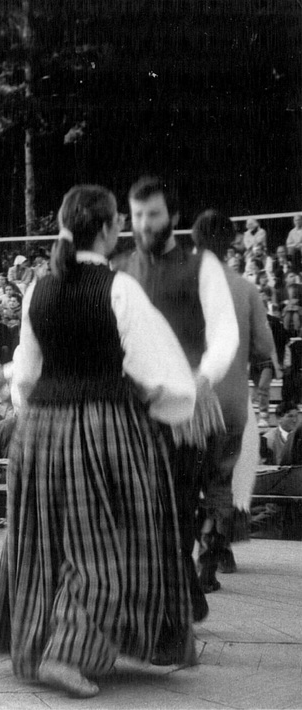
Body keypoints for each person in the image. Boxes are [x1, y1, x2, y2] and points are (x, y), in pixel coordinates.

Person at [0, 185, 198, 698]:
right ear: (108, 229)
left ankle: (39, 641)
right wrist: (166, 406)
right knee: (110, 544)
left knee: (43, 541)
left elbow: (28, 374)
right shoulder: (119, 289)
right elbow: (158, 374)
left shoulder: (39, 288)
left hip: (40, 430)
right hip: (103, 427)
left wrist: (30, 411)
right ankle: (67, 651)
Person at [117, 176, 238, 624]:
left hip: (186, 406)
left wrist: (204, 377)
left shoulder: (200, 265)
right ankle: (176, 600)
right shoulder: (122, 267)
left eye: (153, 214)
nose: (144, 223)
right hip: (132, 406)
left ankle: (175, 605)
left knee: (179, 508)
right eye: (137, 215)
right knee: (140, 512)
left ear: (173, 217)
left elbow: (225, 331)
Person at [190, 210, 276, 592]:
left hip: (189, 399)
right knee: (221, 483)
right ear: (231, 244)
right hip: (231, 403)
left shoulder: (178, 283)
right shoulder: (246, 289)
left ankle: (186, 560)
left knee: (183, 482)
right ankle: (211, 554)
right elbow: (264, 352)